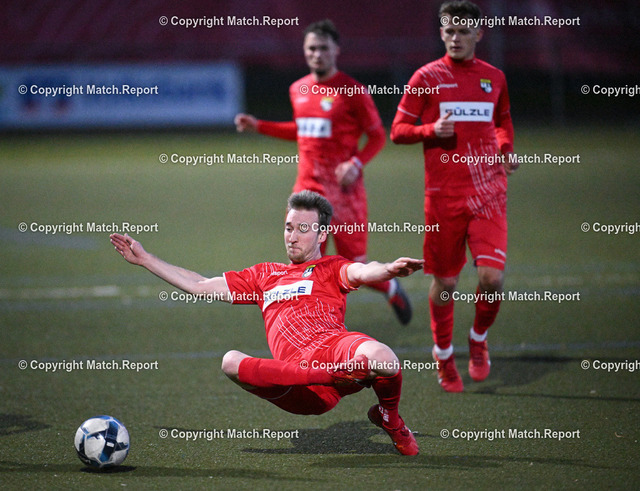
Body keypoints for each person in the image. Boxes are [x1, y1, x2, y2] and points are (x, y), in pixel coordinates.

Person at [110, 190, 423, 455]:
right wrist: (146, 259)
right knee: (230, 362)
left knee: (384, 358)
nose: (292, 236)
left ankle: (390, 419)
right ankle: (329, 376)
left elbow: (362, 271)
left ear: (321, 235)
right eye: (288, 228)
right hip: (297, 382)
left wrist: (388, 270)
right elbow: (200, 284)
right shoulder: (264, 276)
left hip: (334, 351)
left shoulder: (331, 267)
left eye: (303, 229)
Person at [234, 19, 413, 325]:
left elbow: (377, 136)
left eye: (323, 48)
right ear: (304, 51)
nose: (317, 54)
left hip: (344, 195)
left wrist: (355, 164)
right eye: (311, 49)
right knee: (304, 265)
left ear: (336, 50)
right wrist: (259, 125)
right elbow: (302, 131)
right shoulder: (298, 89)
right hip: (306, 191)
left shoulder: (353, 91)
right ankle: (321, 330)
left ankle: (390, 287)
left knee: (354, 266)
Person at [390, 0, 517, 392]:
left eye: (464, 31)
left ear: (479, 33)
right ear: (441, 33)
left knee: (492, 278)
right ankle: (443, 354)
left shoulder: (494, 77)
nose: (456, 38)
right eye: (449, 31)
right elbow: (397, 130)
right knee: (445, 283)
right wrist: (430, 130)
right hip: (443, 198)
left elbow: (502, 120)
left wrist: (506, 148)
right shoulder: (426, 77)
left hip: (489, 193)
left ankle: (478, 339)